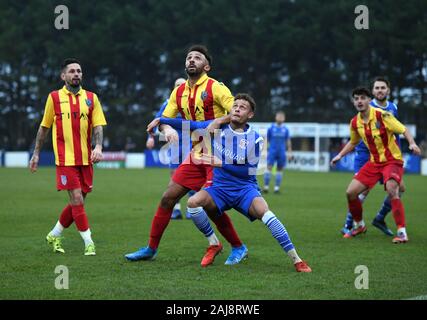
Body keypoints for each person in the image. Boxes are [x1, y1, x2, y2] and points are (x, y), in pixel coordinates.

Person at [157, 93, 311, 271]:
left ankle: (297, 259)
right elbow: (191, 125)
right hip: (219, 189)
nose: (237, 108)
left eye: (243, 107)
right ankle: (214, 243)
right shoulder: (219, 127)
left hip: (244, 189)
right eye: (235, 105)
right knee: (193, 203)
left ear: (250, 115)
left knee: (266, 213)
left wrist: (220, 162)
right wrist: (159, 120)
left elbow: (248, 171)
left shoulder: (256, 138)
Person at [125, 45, 247, 266]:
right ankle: (151, 249)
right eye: (189, 57)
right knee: (168, 198)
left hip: (217, 154)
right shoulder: (178, 92)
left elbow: (237, 112)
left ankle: (238, 247)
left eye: (197, 58)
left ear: (206, 66)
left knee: (212, 206)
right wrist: (167, 129)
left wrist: (219, 121)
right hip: (197, 153)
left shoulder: (216, 87)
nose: (191, 60)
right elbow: (163, 118)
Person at [29, 58, 107, 255]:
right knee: (77, 199)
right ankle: (89, 242)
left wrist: (98, 146)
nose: (76, 74)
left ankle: (54, 234)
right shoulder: (54, 98)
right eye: (72, 71)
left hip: (86, 159)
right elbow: (44, 128)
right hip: (65, 160)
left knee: (77, 202)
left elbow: (98, 125)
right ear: (63, 76)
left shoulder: (91, 98)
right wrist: (36, 153)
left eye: (79, 71)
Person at [331, 87, 421, 243]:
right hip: (374, 162)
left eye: (362, 98)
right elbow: (353, 142)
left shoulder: (382, 115)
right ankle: (359, 225)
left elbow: (403, 129)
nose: (359, 101)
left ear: (368, 100)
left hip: (392, 160)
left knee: (393, 189)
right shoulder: (355, 122)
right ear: (354, 102)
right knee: (351, 192)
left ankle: (401, 232)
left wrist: (412, 144)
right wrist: (339, 155)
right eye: (356, 98)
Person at [340, 77, 404, 237]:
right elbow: (355, 137)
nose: (380, 91)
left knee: (399, 188)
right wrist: (340, 154)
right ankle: (350, 224)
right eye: (377, 88)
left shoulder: (392, 107)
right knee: (361, 191)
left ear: (388, 90)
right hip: (365, 155)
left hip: (387, 157)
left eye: (383, 88)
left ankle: (380, 218)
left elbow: (395, 133)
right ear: (372, 92)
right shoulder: (367, 106)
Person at [146, 77, 194, 220]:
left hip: (191, 143)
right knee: (174, 178)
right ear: (173, 88)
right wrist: (150, 137)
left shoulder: (192, 102)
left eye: (182, 85)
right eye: (177, 85)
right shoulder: (168, 103)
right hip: (174, 145)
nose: (179, 87)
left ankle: (191, 209)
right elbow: (157, 119)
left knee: (192, 176)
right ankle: (177, 210)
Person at [263, 111, 292, 194]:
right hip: (272, 151)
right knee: (269, 167)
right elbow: (267, 140)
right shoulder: (271, 128)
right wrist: (264, 150)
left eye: (282, 117)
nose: (280, 118)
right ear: (276, 117)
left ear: (284, 118)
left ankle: (276, 188)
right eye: (278, 116)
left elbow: (288, 141)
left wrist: (290, 152)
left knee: (280, 169)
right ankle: (266, 187)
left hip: (282, 152)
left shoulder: (285, 129)